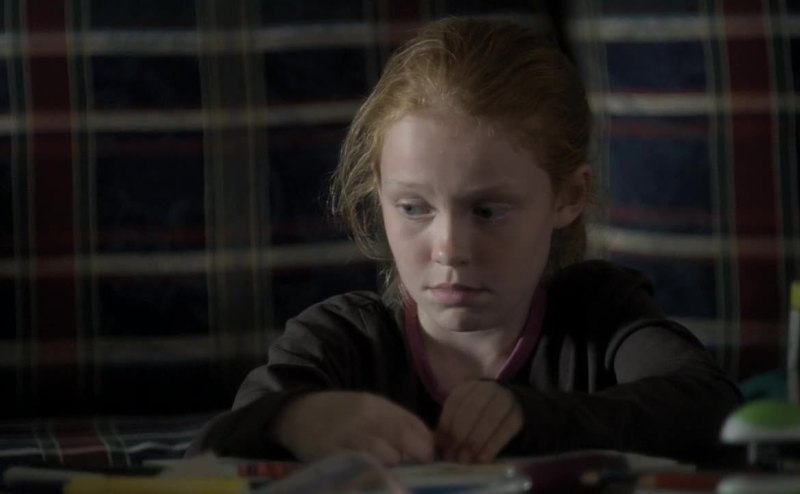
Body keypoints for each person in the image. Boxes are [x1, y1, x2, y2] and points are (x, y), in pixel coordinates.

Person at [188, 17, 742, 466]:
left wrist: (535, 417)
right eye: (413, 208)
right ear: (379, 194)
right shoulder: (342, 340)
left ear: (568, 196)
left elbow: (714, 408)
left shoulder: (601, 318)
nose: (449, 248)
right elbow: (214, 447)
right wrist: (295, 419)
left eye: (488, 211)